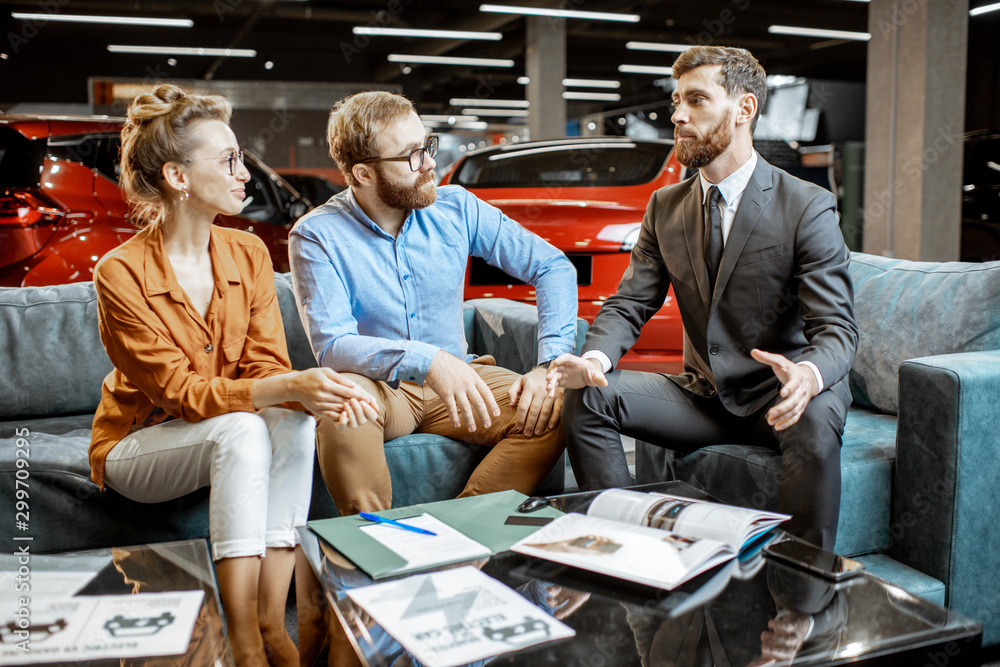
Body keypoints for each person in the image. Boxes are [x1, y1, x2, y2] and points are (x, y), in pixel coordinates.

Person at [89, 83, 378, 667]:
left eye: (240, 156)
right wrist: (289, 386)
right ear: (177, 176)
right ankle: (244, 638)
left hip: (221, 428)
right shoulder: (118, 273)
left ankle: (274, 622)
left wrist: (312, 394)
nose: (244, 172)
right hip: (137, 444)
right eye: (228, 160)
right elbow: (183, 395)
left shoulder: (247, 254)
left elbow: (267, 367)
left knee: (295, 423)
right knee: (246, 428)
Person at [545, 46, 857, 550]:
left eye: (696, 100)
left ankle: (806, 589)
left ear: (744, 109)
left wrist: (809, 375)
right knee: (588, 396)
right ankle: (624, 551)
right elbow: (631, 303)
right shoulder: (665, 206)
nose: (678, 116)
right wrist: (595, 359)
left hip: (782, 394)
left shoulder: (806, 205)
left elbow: (837, 329)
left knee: (815, 420)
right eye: (675, 102)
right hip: (705, 396)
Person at [288, 90, 579, 515]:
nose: (429, 164)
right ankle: (374, 542)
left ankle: (464, 531)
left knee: (558, 403)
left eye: (427, 146)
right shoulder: (316, 235)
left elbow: (553, 267)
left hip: (463, 381)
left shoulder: (457, 207)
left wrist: (547, 366)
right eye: (411, 156)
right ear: (363, 174)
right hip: (381, 389)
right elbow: (333, 345)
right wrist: (430, 361)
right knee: (343, 404)